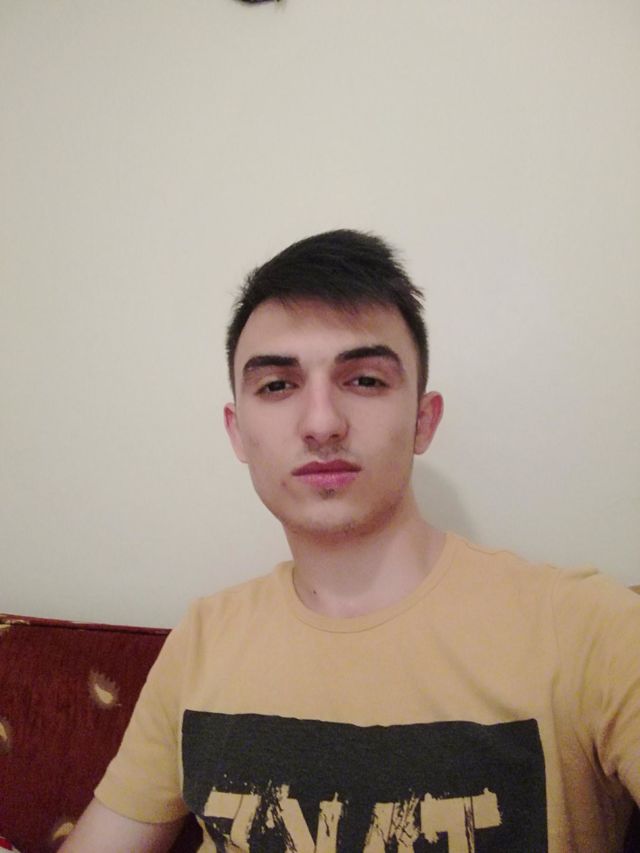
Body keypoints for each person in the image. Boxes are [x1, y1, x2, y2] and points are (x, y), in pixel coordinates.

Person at [62, 229, 640, 852]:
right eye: (277, 385)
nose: (321, 423)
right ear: (236, 432)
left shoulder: (588, 630)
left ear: (423, 420)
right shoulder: (202, 639)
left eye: (364, 380)